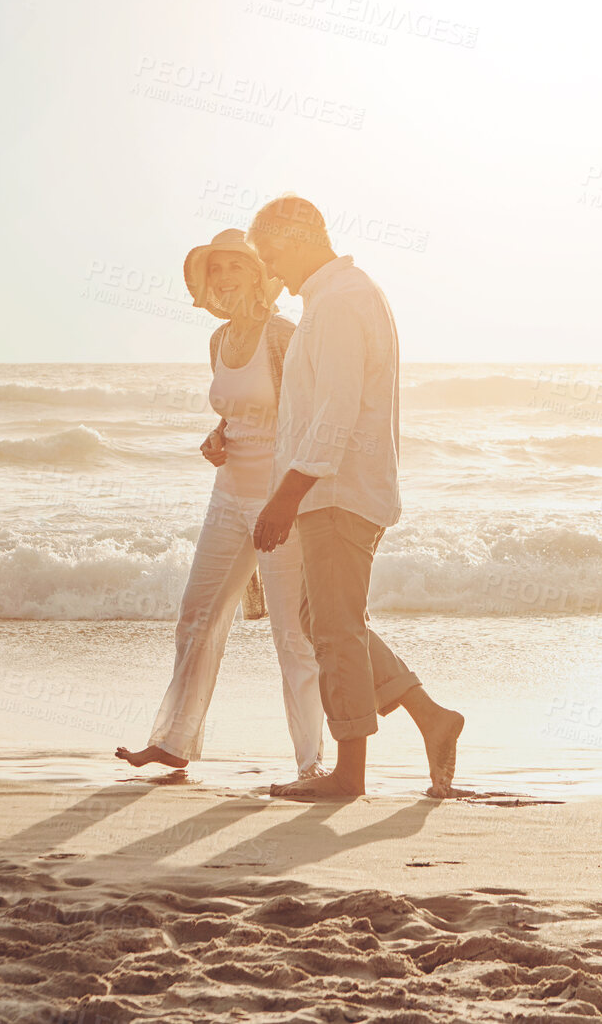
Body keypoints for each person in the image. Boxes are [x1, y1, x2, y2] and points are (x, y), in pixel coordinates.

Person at [248, 196, 466, 799]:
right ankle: (431, 717)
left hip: (338, 490)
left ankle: (348, 775)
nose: (271, 274)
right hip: (336, 488)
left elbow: (335, 411)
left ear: (294, 241)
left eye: (270, 256)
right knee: (320, 619)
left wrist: (286, 496)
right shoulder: (334, 298)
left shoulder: (342, 301)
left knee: (336, 629)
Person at [115, 228, 326, 779]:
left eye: (237, 267)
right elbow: (241, 411)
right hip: (228, 495)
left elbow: (306, 416)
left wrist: (290, 500)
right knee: (197, 617)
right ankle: (173, 743)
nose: (226, 278)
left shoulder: (285, 334)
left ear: (259, 275)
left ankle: (311, 766)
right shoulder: (218, 342)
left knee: (291, 635)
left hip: (280, 503)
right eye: (217, 271)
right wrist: (217, 435)